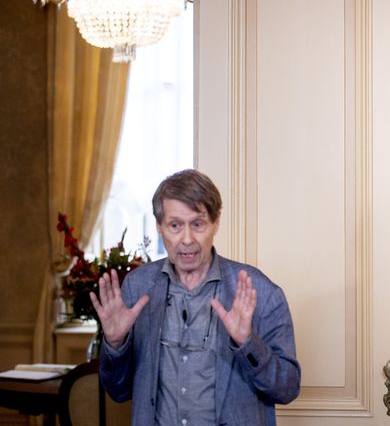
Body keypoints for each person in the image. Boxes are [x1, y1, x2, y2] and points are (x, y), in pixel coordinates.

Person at [90, 169, 301, 426]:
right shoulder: (137, 288)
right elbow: (117, 391)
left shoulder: (260, 291)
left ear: (215, 223)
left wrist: (248, 343)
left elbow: (287, 389)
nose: (187, 239)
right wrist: (114, 344)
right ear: (159, 227)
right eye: (175, 225)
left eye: (198, 224)